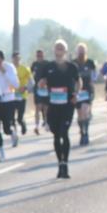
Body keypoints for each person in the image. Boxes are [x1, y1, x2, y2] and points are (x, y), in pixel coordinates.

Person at [40, 40, 80, 179]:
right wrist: (42, 83)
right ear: (54, 50)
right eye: (57, 48)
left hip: (67, 104)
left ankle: (65, 164)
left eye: (62, 48)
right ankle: (60, 163)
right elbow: (41, 82)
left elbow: (78, 81)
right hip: (53, 105)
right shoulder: (48, 67)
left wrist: (76, 94)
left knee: (64, 132)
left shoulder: (71, 67)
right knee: (56, 135)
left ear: (66, 51)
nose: (59, 50)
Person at [0, 50, 19, 159]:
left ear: (2, 59)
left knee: (6, 128)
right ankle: (2, 153)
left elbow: (16, 84)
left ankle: (12, 134)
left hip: (8, 100)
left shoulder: (9, 67)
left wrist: (4, 72)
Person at [73, 43, 97, 146]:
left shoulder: (90, 62)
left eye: (83, 51)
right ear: (76, 52)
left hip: (87, 90)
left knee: (85, 111)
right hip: (77, 90)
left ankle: (86, 132)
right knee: (80, 114)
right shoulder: (73, 63)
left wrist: (92, 81)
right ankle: (81, 131)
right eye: (79, 51)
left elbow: (95, 75)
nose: (81, 54)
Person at [12, 52, 31, 135]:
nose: (17, 60)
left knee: (20, 117)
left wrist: (25, 87)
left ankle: (22, 125)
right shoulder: (9, 69)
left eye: (18, 58)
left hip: (22, 96)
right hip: (11, 96)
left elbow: (31, 82)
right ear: (12, 59)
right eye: (15, 58)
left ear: (20, 59)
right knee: (11, 117)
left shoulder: (25, 69)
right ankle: (14, 133)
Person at [31, 49, 49, 135]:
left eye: (41, 55)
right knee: (38, 107)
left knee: (45, 108)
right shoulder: (34, 65)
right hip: (37, 89)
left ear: (43, 55)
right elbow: (31, 76)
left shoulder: (47, 64)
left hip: (46, 89)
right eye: (38, 56)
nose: (39, 57)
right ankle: (36, 126)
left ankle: (46, 123)